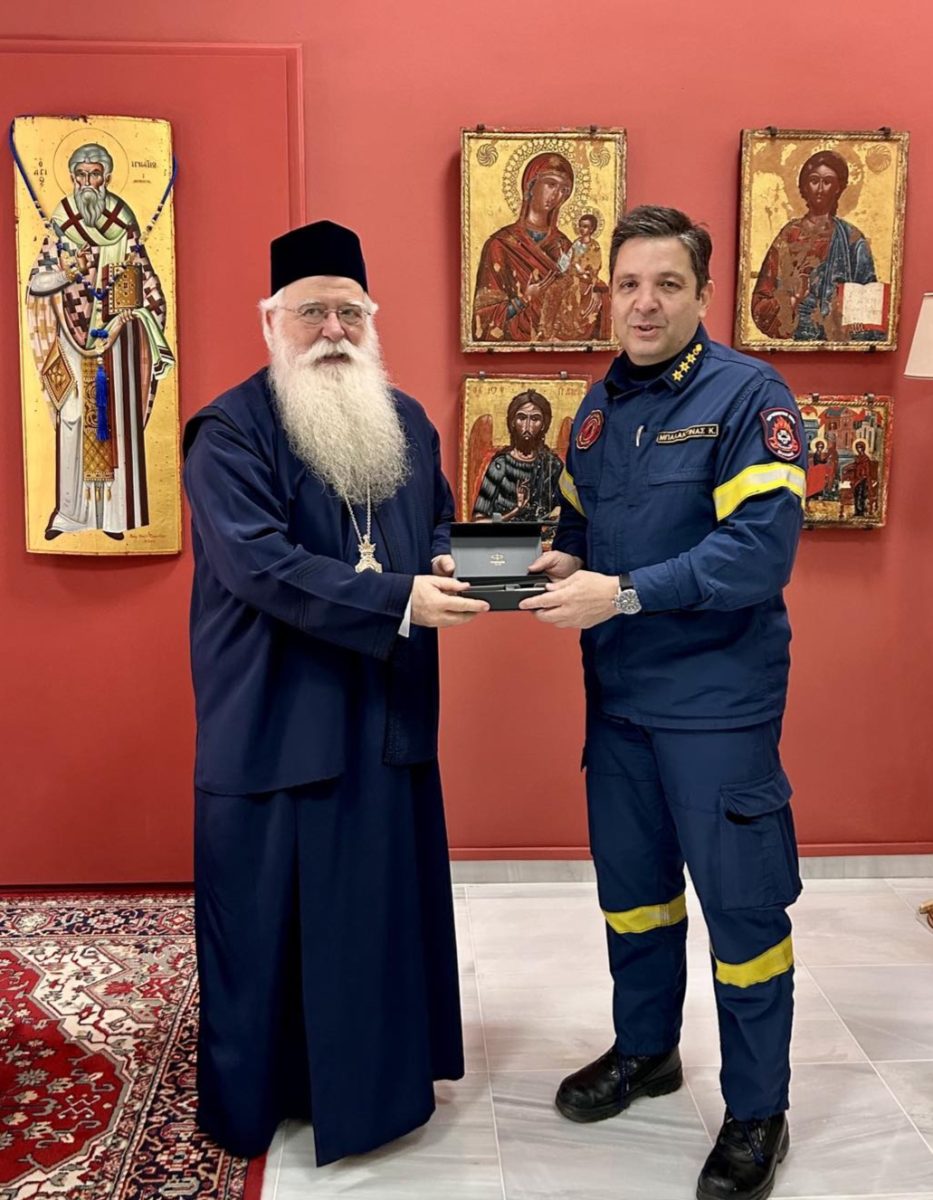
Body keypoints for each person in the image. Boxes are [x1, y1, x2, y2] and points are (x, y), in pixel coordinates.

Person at [183, 220, 488, 1166]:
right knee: (269, 924)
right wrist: (399, 599)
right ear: (270, 322)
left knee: (373, 917)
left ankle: (374, 1090)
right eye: (311, 311)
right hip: (277, 716)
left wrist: (453, 558)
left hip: (380, 712)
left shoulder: (406, 421)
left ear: (371, 321)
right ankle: (270, 1093)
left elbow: (435, 519)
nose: (332, 330)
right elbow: (259, 565)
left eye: (349, 312)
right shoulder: (228, 432)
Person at [520, 205, 807, 1200]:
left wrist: (624, 593)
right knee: (634, 897)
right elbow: (580, 532)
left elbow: (757, 554)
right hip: (619, 703)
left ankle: (758, 1111)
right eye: (628, 285)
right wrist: (564, 564)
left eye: (667, 284)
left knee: (743, 914)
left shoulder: (749, 396)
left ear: (702, 293)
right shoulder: (596, 410)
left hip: (716, 706)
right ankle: (647, 1052)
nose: (644, 304)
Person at [26, 142, 174, 539]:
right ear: (72, 178)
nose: (88, 182)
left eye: (95, 174)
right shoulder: (62, 221)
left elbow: (145, 280)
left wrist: (134, 313)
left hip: (116, 340)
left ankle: (112, 516)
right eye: (81, 175)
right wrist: (68, 274)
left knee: (114, 419)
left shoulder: (123, 221)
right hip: (71, 336)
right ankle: (71, 513)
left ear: (107, 176)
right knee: (72, 417)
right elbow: (37, 282)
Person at [750, 149, 883, 343]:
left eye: (827, 181)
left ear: (838, 188)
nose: (820, 188)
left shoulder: (852, 239)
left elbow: (869, 307)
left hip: (840, 343)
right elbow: (760, 303)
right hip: (797, 339)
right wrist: (793, 299)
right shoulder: (789, 235)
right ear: (804, 186)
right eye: (814, 180)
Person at [471, 152, 575, 343]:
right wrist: (523, 300)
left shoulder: (565, 246)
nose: (556, 195)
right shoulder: (500, 244)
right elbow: (484, 317)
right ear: (531, 185)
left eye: (564, 190)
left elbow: (574, 301)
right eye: (551, 184)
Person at [472, 389, 564, 525]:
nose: (527, 426)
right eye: (522, 418)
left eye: (535, 419)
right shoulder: (500, 465)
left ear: (544, 425)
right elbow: (477, 522)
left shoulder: (553, 465)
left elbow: (567, 514)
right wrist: (515, 511)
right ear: (513, 422)